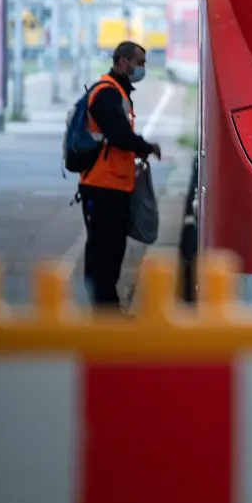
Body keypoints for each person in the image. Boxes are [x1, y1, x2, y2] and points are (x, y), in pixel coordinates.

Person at [78, 41, 162, 310]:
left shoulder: (117, 92)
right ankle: (104, 310)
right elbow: (118, 134)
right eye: (139, 62)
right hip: (102, 185)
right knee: (105, 250)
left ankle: (105, 306)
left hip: (113, 184)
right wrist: (146, 147)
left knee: (109, 249)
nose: (142, 68)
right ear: (123, 61)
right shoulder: (106, 93)